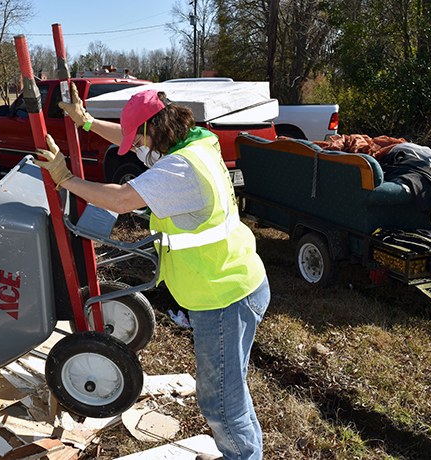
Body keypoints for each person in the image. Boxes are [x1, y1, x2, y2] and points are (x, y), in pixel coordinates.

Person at [35, 84, 270, 460]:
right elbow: (136, 143)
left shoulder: (179, 169)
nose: (138, 149)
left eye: (138, 140)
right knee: (231, 389)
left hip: (224, 295)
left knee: (220, 401)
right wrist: (88, 122)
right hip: (236, 281)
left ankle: (243, 456)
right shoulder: (197, 143)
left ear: (154, 130)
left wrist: (65, 179)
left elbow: (120, 199)